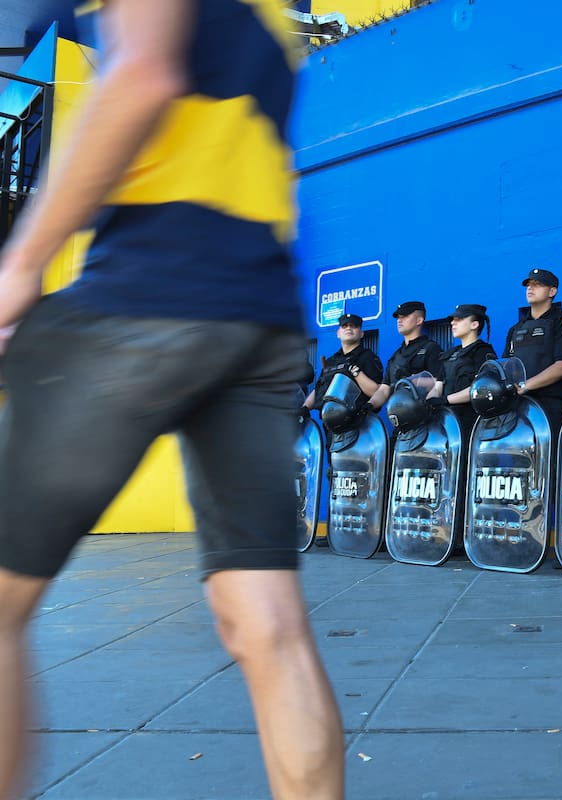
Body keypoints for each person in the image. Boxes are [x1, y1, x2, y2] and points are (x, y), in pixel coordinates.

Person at [0, 3, 344, 798]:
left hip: (150, 292)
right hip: (256, 315)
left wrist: (23, 263)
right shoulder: (268, 17)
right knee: (267, 625)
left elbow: (144, 76)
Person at [503, 268, 562, 437]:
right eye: (528, 285)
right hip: (518, 408)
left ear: (552, 291)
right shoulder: (516, 329)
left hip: (551, 408)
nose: (530, 288)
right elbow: (507, 366)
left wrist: (526, 386)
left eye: (537, 285)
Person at [432, 303, 497, 436]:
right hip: (446, 423)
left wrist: (446, 400)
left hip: (472, 424)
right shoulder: (449, 354)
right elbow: (438, 386)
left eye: (459, 319)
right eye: (452, 320)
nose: (453, 323)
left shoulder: (483, 352)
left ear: (475, 325)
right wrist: (429, 401)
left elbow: (480, 388)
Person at [303, 313, 384, 416]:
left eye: (353, 326)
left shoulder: (368, 357)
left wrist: (356, 372)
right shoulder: (331, 361)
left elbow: (376, 392)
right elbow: (319, 389)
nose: (349, 328)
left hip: (358, 423)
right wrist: (305, 407)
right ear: (338, 333)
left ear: (362, 333)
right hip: (329, 424)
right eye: (344, 326)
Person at [368, 300, 444, 410]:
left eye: (405, 316)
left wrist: (413, 380)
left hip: (425, 416)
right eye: (398, 317)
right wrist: (370, 404)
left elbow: (439, 382)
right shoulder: (396, 355)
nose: (399, 320)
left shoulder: (431, 349)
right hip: (400, 415)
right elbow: (384, 389)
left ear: (419, 320)